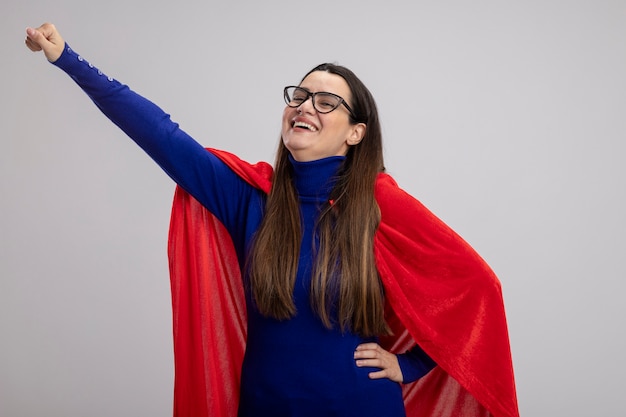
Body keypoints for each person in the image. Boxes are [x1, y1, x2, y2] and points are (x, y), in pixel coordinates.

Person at [25, 23, 520, 417]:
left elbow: (477, 288)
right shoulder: (248, 198)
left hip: (361, 407)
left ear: (356, 133)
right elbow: (160, 134)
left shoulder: (379, 207)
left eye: (327, 103)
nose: (305, 107)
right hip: (265, 407)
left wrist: (409, 365)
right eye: (299, 97)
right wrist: (69, 60)